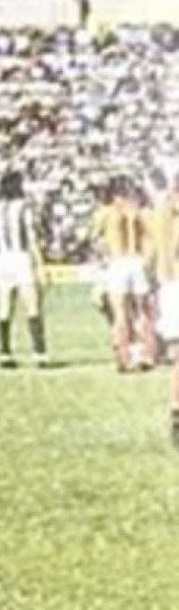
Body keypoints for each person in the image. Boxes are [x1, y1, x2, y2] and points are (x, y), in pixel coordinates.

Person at [0, 170, 49, 368]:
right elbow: (31, 238)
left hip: (3, 259)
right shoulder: (25, 208)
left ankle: (5, 353)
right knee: (32, 305)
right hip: (21, 258)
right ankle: (39, 352)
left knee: (4, 307)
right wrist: (41, 265)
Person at [91, 176, 156, 372]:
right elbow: (150, 237)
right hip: (136, 261)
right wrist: (147, 260)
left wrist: (102, 254)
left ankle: (123, 357)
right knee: (142, 312)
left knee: (120, 313)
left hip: (118, 262)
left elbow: (93, 238)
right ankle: (145, 354)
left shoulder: (107, 212)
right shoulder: (137, 212)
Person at [146, 160, 179, 445]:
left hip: (166, 286)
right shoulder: (174, 212)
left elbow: (152, 253)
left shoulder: (158, 210)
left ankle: (176, 413)